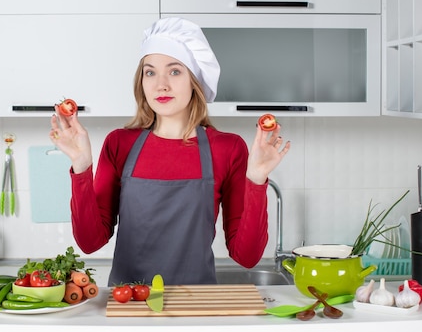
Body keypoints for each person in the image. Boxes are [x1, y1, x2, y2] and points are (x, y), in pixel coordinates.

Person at [49, 17, 290, 285]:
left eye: (175, 71)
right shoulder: (119, 144)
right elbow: (90, 242)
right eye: (150, 72)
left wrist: (256, 180)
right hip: (129, 305)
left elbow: (247, 257)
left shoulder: (228, 148)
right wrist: (81, 166)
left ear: (194, 80)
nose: (160, 84)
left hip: (196, 307)